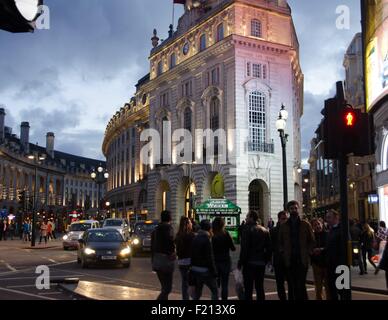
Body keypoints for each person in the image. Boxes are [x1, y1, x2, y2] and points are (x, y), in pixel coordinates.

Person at [279, 200, 315, 301]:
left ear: (298, 209)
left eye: (295, 208)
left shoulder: (305, 224)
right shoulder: (284, 226)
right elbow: (280, 242)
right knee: (292, 285)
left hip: (302, 259)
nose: (294, 210)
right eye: (291, 209)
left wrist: (308, 251)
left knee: (301, 284)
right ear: (288, 210)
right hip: (290, 259)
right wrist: (283, 252)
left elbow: (312, 240)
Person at [238, 211, 272, 301]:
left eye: (247, 217)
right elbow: (269, 248)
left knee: (248, 288)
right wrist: (266, 260)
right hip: (261, 263)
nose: (246, 218)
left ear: (252, 218)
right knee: (259, 287)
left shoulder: (246, 229)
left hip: (249, 263)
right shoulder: (264, 230)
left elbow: (244, 248)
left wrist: (240, 262)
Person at [151, 210, 176, 300]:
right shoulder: (169, 228)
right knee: (167, 288)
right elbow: (170, 242)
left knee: (164, 287)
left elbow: (152, 246)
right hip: (166, 261)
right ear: (169, 218)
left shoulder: (156, 229)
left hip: (157, 260)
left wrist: (153, 261)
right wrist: (172, 252)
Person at [190, 220, 218, 300]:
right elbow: (210, 257)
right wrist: (214, 271)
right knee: (215, 290)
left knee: (197, 293)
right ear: (209, 228)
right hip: (205, 270)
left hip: (195, 270)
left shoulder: (195, 238)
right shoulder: (207, 239)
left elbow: (192, 254)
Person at [212, 217, 236, 300]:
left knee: (215, 285)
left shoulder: (212, 235)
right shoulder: (226, 234)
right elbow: (233, 248)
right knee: (225, 284)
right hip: (225, 261)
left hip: (215, 262)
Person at [326, 210, 347, 300]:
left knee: (342, 291)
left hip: (340, 265)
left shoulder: (342, 230)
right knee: (332, 290)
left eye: (329, 217)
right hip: (331, 264)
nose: (327, 220)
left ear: (336, 218)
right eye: (326, 217)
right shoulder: (331, 230)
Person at [175, 216, 195, 300]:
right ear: (187, 224)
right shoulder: (191, 235)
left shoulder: (178, 235)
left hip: (181, 261)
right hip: (189, 261)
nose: (191, 224)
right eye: (190, 222)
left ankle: (185, 298)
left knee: (184, 282)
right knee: (192, 282)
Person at [270, 211, 288, 301]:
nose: (285, 221)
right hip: (278, 260)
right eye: (283, 219)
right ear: (279, 219)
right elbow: (271, 246)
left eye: (286, 219)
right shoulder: (273, 230)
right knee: (280, 283)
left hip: (289, 260)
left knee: (292, 283)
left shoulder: (291, 229)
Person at [310, 218, 330, 300]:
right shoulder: (312, 236)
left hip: (327, 264)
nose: (317, 226)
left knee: (328, 287)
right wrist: (311, 252)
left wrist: (321, 249)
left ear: (322, 224)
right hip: (316, 264)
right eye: (315, 225)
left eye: (319, 224)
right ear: (312, 227)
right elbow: (308, 247)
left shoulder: (328, 234)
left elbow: (330, 247)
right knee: (318, 287)